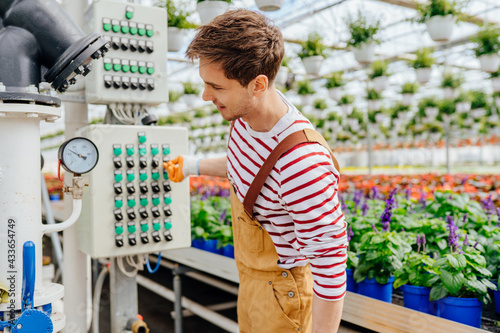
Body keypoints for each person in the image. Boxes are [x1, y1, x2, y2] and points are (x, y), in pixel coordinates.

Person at [164, 9, 347, 333]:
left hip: (283, 296)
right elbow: (249, 169)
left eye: (216, 87)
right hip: (250, 281)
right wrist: (192, 166)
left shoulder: (302, 165)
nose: (206, 96)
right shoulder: (245, 118)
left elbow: (330, 269)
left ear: (258, 85)